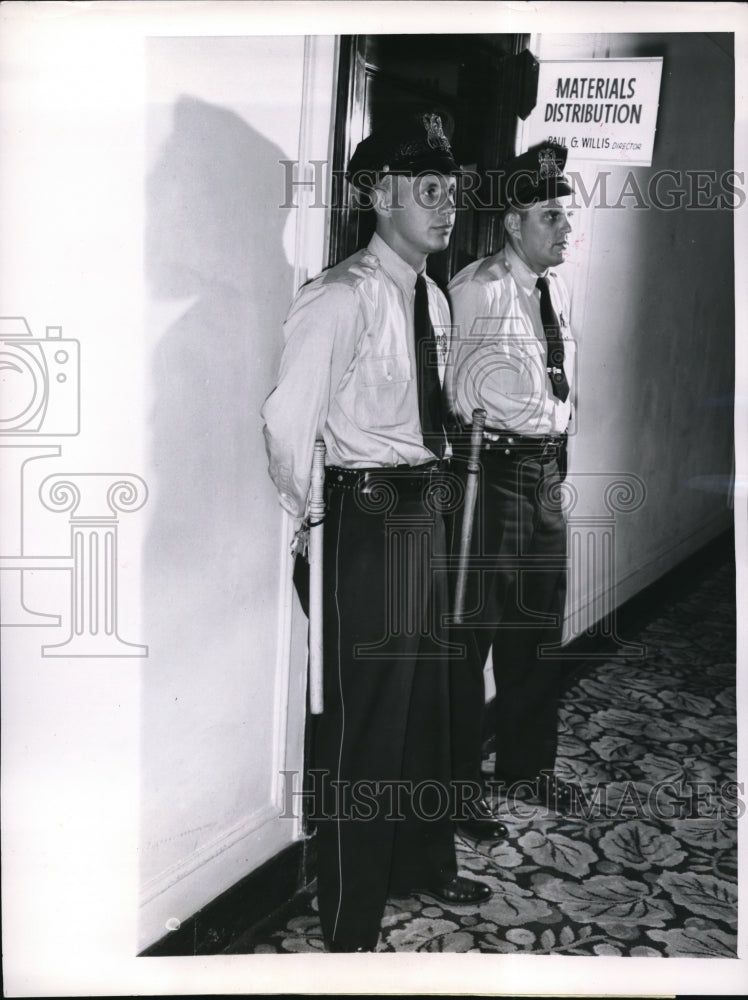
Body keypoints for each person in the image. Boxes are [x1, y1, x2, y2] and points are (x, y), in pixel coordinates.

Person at [261, 111, 490, 954]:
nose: (447, 206)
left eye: (453, 191)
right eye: (428, 189)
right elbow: (290, 431)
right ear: (378, 193)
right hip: (371, 523)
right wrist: (326, 521)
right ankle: (351, 919)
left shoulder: (428, 295)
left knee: (427, 711)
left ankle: (423, 861)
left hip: (427, 511)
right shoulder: (341, 298)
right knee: (366, 731)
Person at [447, 142, 577, 815]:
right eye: (551, 218)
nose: (565, 230)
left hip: (546, 474)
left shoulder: (555, 289)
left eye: (565, 217)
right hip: (492, 475)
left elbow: (559, 388)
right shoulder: (476, 290)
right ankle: (459, 792)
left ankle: (528, 768)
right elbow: (445, 391)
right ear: (512, 222)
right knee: (471, 638)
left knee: (537, 634)